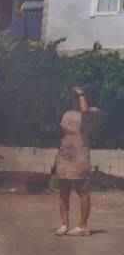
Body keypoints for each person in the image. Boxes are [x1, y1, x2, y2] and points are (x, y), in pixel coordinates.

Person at [54, 86, 100, 237]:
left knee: (82, 190)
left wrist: (82, 95)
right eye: (75, 95)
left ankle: (83, 225)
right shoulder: (68, 113)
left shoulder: (93, 112)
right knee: (63, 191)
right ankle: (64, 224)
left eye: (79, 95)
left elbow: (85, 113)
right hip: (65, 153)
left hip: (80, 153)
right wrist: (57, 157)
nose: (76, 98)